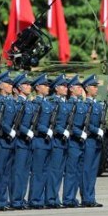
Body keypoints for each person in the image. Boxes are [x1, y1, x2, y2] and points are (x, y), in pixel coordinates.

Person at [0, 71, 16, 211]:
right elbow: (0, 121)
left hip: (10, 142)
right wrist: (9, 131)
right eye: (8, 83)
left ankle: (3, 199)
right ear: (0, 86)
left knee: (6, 172)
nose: (11, 85)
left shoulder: (10, 102)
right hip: (2, 141)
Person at [28, 74, 54, 209]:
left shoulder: (47, 103)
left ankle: (42, 199)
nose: (48, 87)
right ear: (38, 87)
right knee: (37, 172)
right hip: (39, 141)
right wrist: (46, 130)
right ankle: (35, 199)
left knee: (45, 172)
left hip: (47, 142)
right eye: (45, 85)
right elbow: (35, 123)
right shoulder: (36, 104)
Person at [62, 75, 88, 208]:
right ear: (71, 89)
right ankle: (67, 198)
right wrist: (80, 133)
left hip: (80, 143)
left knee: (78, 172)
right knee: (71, 172)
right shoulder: (69, 105)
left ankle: (73, 198)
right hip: (73, 142)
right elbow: (70, 125)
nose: (80, 89)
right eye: (78, 87)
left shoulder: (81, 104)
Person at [45, 74, 70, 208]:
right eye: (63, 86)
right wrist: (62, 131)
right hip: (56, 141)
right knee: (54, 171)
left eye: (66, 86)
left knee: (59, 172)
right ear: (56, 88)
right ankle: (50, 198)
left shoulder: (64, 103)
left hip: (63, 142)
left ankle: (54, 197)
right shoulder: (53, 102)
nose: (66, 88)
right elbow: (53, 123)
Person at [10, 73, 35, 210]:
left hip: (28, 143)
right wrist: (27, 132)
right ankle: (15, 199)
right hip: (20, 142)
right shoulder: (18, 103)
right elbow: (17, 124)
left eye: (29, 84)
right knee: (18, 172)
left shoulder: (29, 104)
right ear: (18, 88)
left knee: (25, 172)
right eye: (25, 84)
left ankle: (21, 197)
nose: (29, 86)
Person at [80, 74, 104, 208]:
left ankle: (91, 197)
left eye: (96, 86)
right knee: (86, 170)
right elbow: (86, 124)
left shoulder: (98, 105)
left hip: (97, 142)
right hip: (88, 140)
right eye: (94, 86)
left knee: (93, 170)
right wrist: (96, 130)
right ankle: (86, 198)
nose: (96, 89)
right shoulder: (85, 105)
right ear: (87, 88)